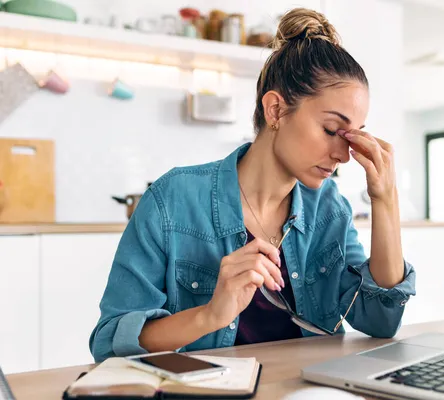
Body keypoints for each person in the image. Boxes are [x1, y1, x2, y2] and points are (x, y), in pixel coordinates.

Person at [89, 7, 416, 363]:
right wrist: (210, 314)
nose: (343, 154)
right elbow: (109, 342)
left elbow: (381, 319)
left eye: (353, 135)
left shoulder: (329, 208)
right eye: (330, 130)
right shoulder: (173, 201)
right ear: (275, 110)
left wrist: (386, 199)